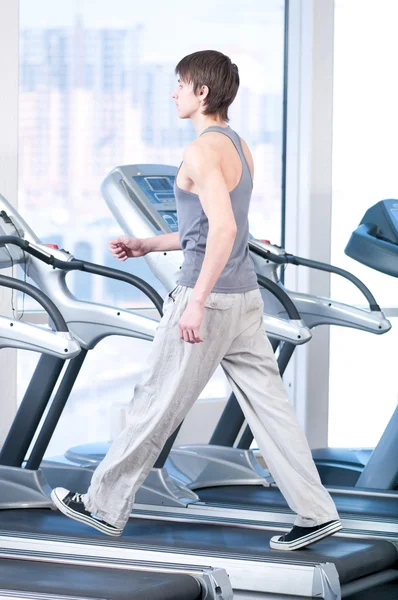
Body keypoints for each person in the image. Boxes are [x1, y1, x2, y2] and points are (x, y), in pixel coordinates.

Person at [51, 49, 341, 551]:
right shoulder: (238, 146)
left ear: (201, 92)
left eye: (180, 84)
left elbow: (224, 229)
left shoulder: (201, 150)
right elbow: (207, 229)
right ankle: (316, 513)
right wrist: (147, 244)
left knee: (155, 402)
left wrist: (196, 302)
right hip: (245, 298)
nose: (173, 93)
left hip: (208, 300)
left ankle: (103, 506)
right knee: (272, 411)